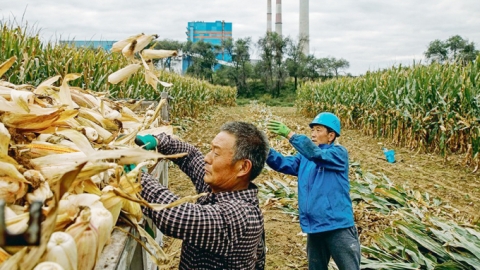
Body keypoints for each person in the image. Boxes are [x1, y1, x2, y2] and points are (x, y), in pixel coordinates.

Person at [137, 121, 269, 270]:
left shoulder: (241, 216)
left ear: (243, 167)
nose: (207, 158)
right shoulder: (219, 186)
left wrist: (136, 177)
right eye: (210, 150)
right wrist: (159, 142)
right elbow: (191, 157)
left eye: (216, 153)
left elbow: (174, 216)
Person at [266, 112, 361, 270]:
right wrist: (264, 149)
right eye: (312, 130)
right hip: (315, 227)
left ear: (331, 136)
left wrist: (290, 135)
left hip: (337, 227)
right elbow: (282, 163)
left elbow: (317, 155)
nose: (313, 134)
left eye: (318, 130)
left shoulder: (338, 154)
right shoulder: (305, 158)